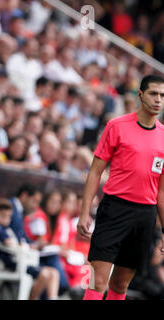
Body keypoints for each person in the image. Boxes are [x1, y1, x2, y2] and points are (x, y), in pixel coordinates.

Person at [78, 74, 164, 300]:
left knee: (121, 285)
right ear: (140, 95)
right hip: (114, 209)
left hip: (144, 216)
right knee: (97, 281)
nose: (158, 100)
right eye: (154, 93)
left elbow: (161, 190)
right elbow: (95, 171)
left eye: (163, 96)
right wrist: (85, 212)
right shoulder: (116, 126)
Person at [0, 199, 60, 300]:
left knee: (54, 273)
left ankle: (53, 297)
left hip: (21, 261)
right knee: (44, 274)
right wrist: (22, 245)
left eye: (9, 217)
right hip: (11, 263)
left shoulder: (7, 229)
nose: (6, 219)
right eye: (3, 216)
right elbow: (8, 242)